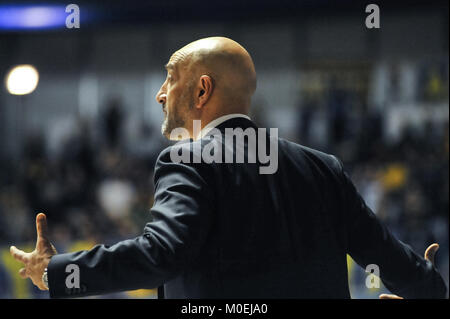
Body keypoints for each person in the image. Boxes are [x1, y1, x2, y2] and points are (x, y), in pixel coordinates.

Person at [10, 37, 447, 299]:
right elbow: (390, 258)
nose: (160, 94)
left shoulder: (188, 158)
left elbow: (162, 254)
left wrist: (58, 271)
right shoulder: (323, 168)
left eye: (170, 78)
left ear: (202, 90)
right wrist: (425, 286)